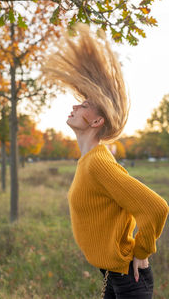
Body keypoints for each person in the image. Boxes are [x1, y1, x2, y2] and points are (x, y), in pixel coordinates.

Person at [41, 23, 169, 299]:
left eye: (84, 105)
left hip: (128, 278)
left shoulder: (98, 162)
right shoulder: (90, 161)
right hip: (114, 275)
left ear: (97, 121)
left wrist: (142, 253)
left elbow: (156, 207)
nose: (75, 106)